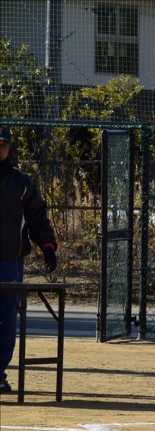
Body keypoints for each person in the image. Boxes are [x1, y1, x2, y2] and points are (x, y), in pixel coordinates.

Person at [0, 125, 58, 392]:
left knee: (5, 320)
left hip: (10, 262)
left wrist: (47, 246)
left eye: (3, 145)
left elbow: (37, 216)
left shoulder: (21, 183)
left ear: (9, 149)